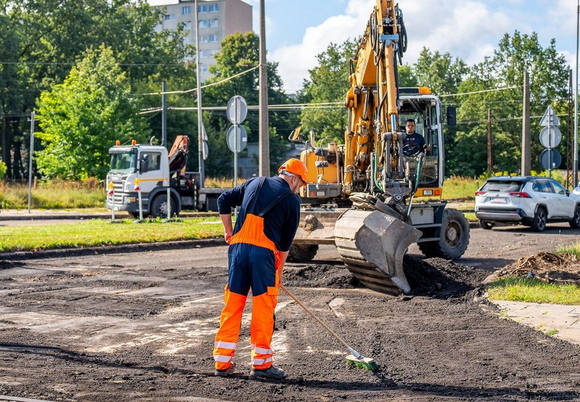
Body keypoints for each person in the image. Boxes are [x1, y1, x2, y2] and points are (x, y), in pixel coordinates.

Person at [213, 158, 308, 380]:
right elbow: (285, 245)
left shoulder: (253, 182)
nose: (300, 189)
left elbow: (223, 199)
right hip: (263, 255)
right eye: (301, 184)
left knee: (233, 305)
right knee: (263, 308)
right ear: (293, 178)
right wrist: (279, 271)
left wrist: (228, 231)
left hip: (237, 252)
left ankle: (222, 362)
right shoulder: (292, 202)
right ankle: (261, 365)